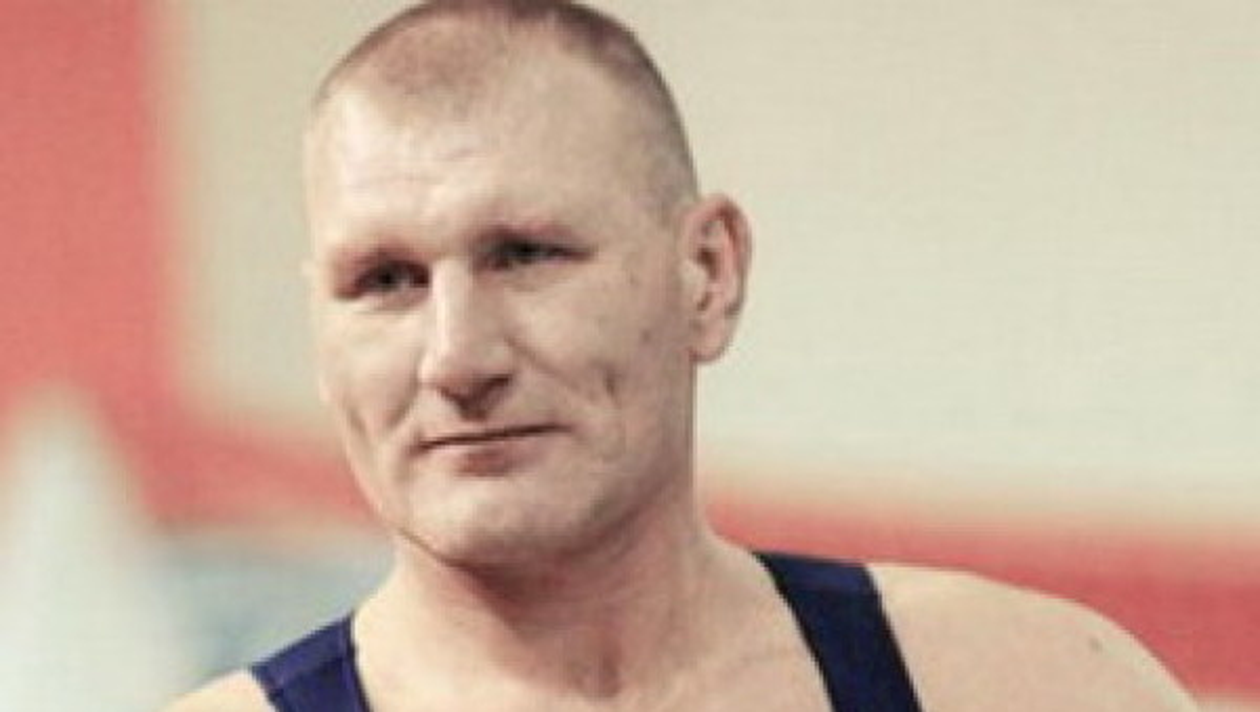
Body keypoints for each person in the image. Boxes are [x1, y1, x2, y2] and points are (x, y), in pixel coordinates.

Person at [166, 1, 1200, 710]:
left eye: (526, 255)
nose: (457, 358)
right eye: (386, 280)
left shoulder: (1028, 685)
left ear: (707, 272)